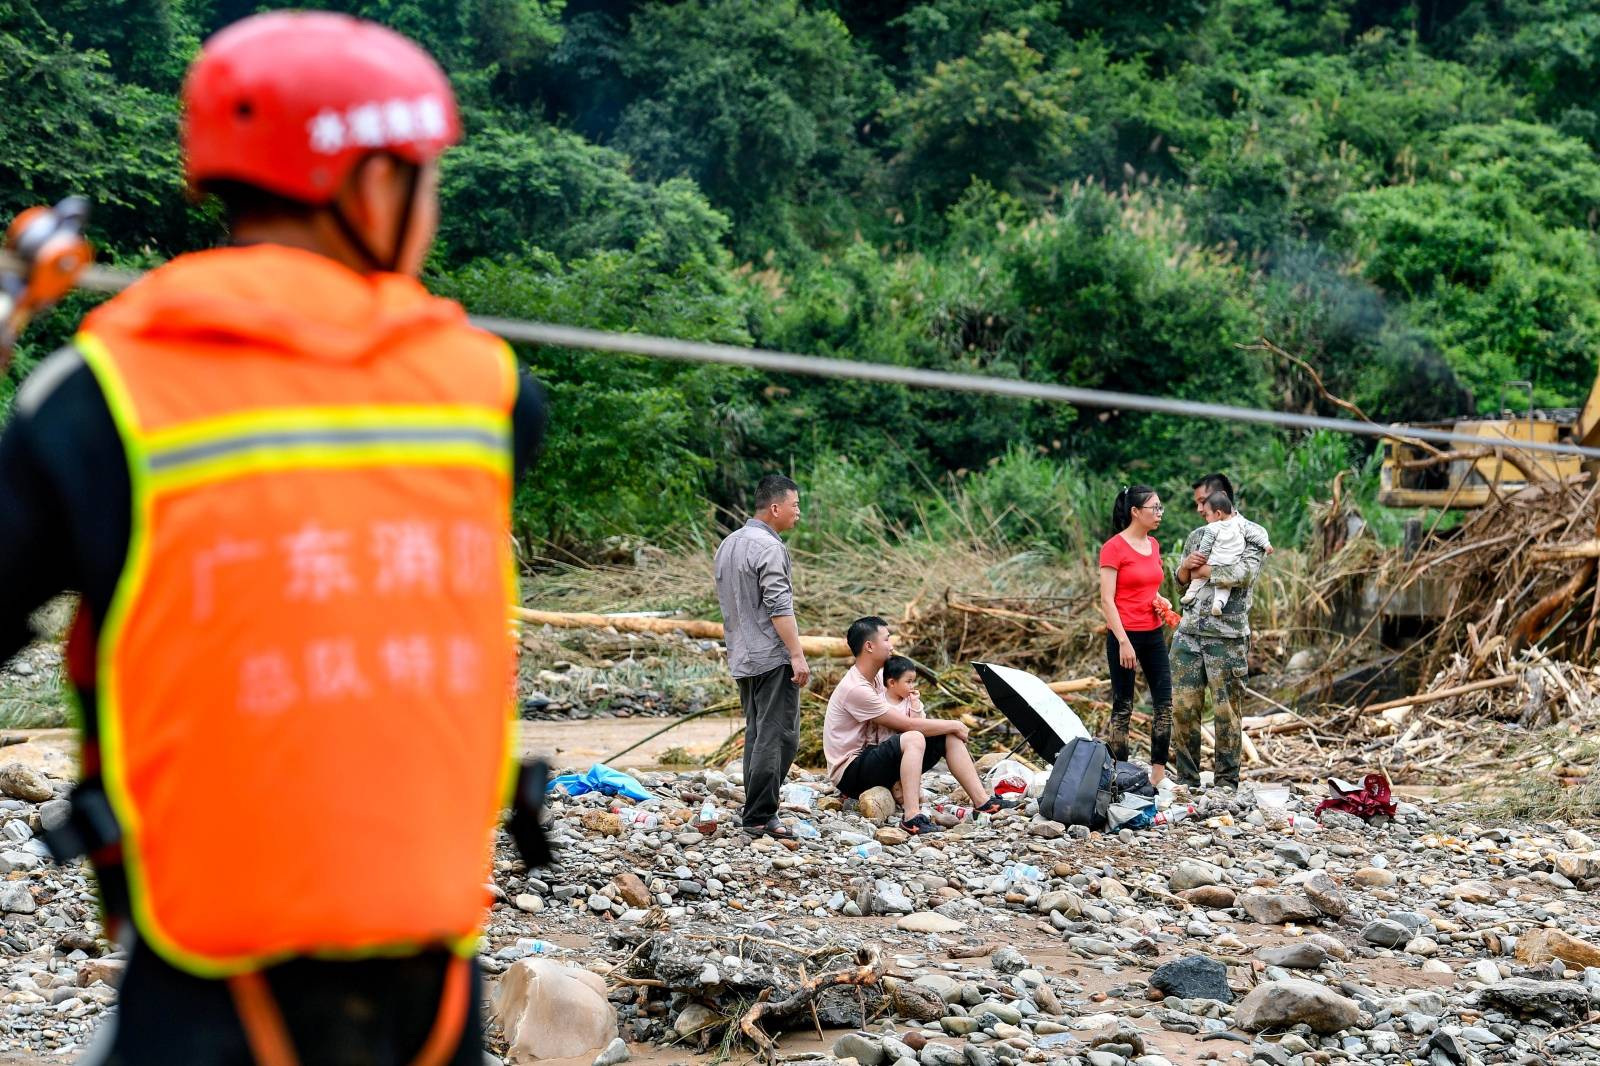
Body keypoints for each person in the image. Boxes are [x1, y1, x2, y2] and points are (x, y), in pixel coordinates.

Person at [0, 12, 547, 1063]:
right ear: (371, 187)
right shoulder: (491, 393)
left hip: (206, 992)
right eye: (424, 178)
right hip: (430, 995)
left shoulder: (94, 400)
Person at [823, 617, 1017, 836]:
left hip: (874, 755)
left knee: (948, 735)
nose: (892, 646)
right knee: (915, 736)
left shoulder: (879, 677)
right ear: (869, 646)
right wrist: (954, 722)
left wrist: (948, 726)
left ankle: (983, 802)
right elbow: (906, 725)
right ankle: (911, 817)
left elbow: (908, 715)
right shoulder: (856, 688)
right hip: (851, 771)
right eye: (886, 639)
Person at [713, 474, 810, 840]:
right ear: (775, 508)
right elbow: (778, 606)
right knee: (780, 735)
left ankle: (754, 808)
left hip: (742, 653)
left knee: (757, 732)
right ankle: (759, 815)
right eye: (794, 505)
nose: (798, 512)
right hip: (771, 655)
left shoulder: (728, 544)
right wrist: (797, 655)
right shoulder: (769, 548)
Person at [1171, 473, 1271, 793]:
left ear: (1222, 498)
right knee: (1183, 709)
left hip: (1226, 637)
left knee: (1227, 712)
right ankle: (1186, 780)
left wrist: (1202, 571)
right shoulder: (1198, 534)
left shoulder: (1252, 533)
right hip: (1189, 633)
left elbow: (1243, 574)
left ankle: (1226, 783)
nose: (1200, 509)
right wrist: (1187, 567)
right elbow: (1181, 580)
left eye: (1204, 501)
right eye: (1197, 503)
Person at [1098, 486, 1172, 786]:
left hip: (1153, 633)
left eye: (1160, 507)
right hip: (1123, 636)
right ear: (1135, 512)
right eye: (1154, 508)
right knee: (1124, 706)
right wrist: (1124, 642)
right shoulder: (1113, 548)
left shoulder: (1153, 545)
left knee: (1165, 704)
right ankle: (1121, 775)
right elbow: (1107, 600)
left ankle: (1157, 778)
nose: (1159, 513)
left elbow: (1148, 585)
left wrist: (1160, 600)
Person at [1180, 492, 1271, 617]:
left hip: (1229, 631)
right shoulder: (1241, 525)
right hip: (1231, 562)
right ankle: (1218, 604)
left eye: (1207, 514)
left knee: (1199, 580)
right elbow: (1178, 584)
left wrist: (1202, 566)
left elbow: (1245, 576)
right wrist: (1267, 545)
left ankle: (1190, 594)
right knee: (1223, 588)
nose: (1200, 511)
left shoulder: (1212, 528)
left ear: (1217, 513)